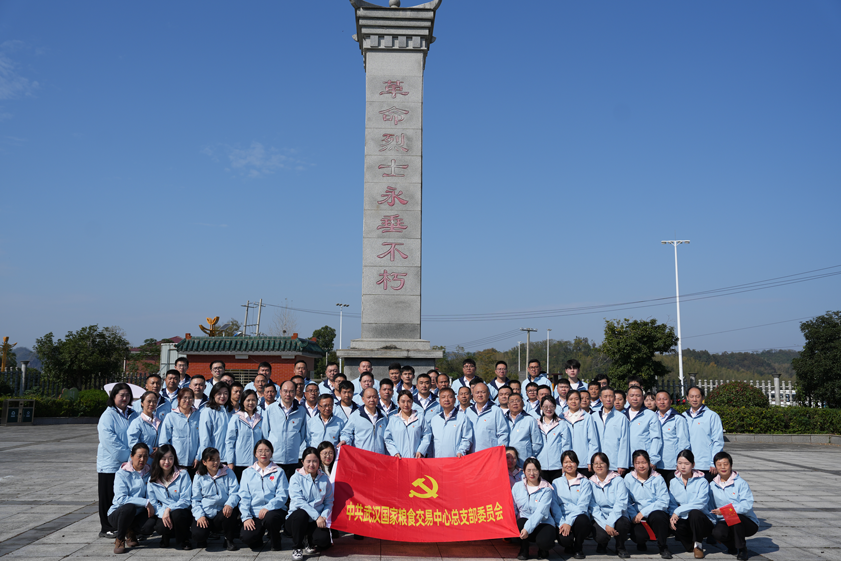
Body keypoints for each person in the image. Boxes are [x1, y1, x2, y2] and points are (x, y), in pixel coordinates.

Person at [97, 383, 139, 538]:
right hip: (111, 464)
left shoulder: (133, 414)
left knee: (124, 495)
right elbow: (109, 440)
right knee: (108, 496)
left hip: (129, 464)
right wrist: (129, 457)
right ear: (113, 396)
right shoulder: (108, 416)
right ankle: (106, 527)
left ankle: (125, 526)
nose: (125, 398)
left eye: (127, 395)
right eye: (121, 395)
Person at [239, 439, 289, 552]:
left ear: (271, 453)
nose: (263, 453)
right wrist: (246, 517)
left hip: (274, 510)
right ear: (255, 453)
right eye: (260, 451)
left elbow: (282, 495)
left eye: (267, 450)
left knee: (271, 518)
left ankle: (275, 540)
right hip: (255, 512)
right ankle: (258, 538)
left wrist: (268, 507)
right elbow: (244, 497)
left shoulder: (279, 471)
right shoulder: (247, 472)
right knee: (247, 537)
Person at [286, 447, 334, 560]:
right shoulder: (295, 478)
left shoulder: (324, 479)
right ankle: (297, 547)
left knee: (323, 541)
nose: (311, 464)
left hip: (316, 521)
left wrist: (324, 516)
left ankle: (309, 540)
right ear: (302, 462)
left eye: (315, 461)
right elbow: (299, 501)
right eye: (308, 461)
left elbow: (329, 501)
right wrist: (317, 516)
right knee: (301, 513)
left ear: (319, 462)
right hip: (296, 521)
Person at [108, 443, 156, 554]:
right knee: (129, 507)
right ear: (131, 456)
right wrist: (145, 502)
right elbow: (121, 498)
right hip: (119, 513)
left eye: (145, 456)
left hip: (138, 513)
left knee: (151, 524)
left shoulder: (149, 473)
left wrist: (150, 504)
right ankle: (120, 539)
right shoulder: (121, 474)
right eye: (139, 456)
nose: (142, 459)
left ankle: (131, 532)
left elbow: (152, 494)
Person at [709, 452, 758, 561]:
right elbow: (711, 506)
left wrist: (726, 511)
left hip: (746, 522)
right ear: (715, 466)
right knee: (717, 533)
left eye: (725, 464)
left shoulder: (741, 483)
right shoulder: (712, 485)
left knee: (732, 516)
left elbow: (747, 505)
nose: (723, 467)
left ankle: (742, 549)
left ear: (731, 465)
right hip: (724, 520)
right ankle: (732, 546)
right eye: (719, 464)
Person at [624, 450, 672, 558]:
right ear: (633, 464)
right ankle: (641, 543)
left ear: (649, 463)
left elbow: (664, 501)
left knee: (659, 516)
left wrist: (644, 512)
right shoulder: (628, 478)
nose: (641, 466)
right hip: (637, 515)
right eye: (637, 463)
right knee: (639, 536)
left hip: (654, 514)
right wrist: (633, 515)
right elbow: (626, 500)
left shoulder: (658, 478)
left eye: (644, 462)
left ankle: (663, 546)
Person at [190, 447, 240, 551]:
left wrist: (229, 504)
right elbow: (195, 499)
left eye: (217, 459)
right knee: (198, 535)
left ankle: (228, 540)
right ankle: (204, 537)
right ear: (204, 462)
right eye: (212, 460)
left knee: (230, 513)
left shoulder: (228, 472)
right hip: (206, 514)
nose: (216, 462)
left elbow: (235, 492)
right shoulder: (199, 476)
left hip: (222, 512)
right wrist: (200, 516)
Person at [669, 449, 716, 559]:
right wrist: (672, 515)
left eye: (686, 463)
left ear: (693, 465)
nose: (683, 467)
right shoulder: (673, 482)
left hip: (702, 520)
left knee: (695, 513)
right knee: (672, 521)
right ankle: (690, 545)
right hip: (684, 519)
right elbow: (672, 503)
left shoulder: (702, 482)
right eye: (680, 463)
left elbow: (701, 504)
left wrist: (678, 511)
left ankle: (698, 545)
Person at [147, 445, 193, 550]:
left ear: (174, 459)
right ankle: (166, 535)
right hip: (163, 511)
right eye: (163, 459)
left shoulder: (183, 474)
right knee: (160, 527)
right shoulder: (152, 479)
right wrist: (163, 513)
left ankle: (184, 538)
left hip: (182, 510)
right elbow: (154, 503)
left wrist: (169, 509)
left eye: (170, 458)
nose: (167, 462)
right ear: (158, 460)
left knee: (177, 515)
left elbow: (186, 499)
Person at [511, 458, 557, 560]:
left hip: (543, 522)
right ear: (524, 471)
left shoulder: (546, 488)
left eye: (535, 470)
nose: (532, 473)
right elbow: (513, 507)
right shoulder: (517, 486)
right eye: (528, 470)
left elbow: (541, 512)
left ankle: (543, 549)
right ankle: (524, 549)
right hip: (524, 520)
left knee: (545, 542)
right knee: (520, 523)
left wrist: (527, 529)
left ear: (539, 471)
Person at [264, 380, 309, 482]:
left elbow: (302, 433)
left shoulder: (301, 410)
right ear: (280, 392)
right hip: (274, 457)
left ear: (295, 392)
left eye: (291, 391)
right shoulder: (271, 409)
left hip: (293, 458)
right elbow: (265, 432)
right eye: (285, 391)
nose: (288, 394)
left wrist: (294, 444)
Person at [551, 450, 592, 559]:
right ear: (562, 465)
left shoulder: (585, 482)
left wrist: (569, 522)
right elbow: (555, 506)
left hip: (578, 517)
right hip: (562, 518)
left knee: (583, 520)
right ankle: (569, 545)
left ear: (577, 463)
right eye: (566, 462)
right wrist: (562, 523)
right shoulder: (556, 482)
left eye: (572, 461)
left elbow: (582, 506)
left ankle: (578, 547)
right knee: (565, 540)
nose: (569, 465)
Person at [589, 452, 631, 558]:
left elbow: (621, 503)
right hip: (600, 516)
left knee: (622, 524)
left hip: (618, 514)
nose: (599, 466)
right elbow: (593, 506)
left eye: (602, 463)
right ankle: (602, 544)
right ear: (592, 466)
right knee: (600, 536)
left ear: (607, 464)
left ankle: (620, 547)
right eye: (595, 463)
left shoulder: (618, 480)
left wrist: (611, 522)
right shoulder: (590, 483)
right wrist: (605, 525)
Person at [684, 387, 724, 482]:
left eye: (697, 396)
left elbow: (718, 441)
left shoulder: (712, 416)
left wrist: (714, 462)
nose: (694, 399)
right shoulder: (683, 416)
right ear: (687, 398)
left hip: (706, 466)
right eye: (691, 396)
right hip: (688, 465)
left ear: (702, 397)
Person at [159, 388, 200, 475]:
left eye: (190, 398)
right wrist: (169, 459)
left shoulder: (198, 415)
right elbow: (164, 441)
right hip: (176, 462)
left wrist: (198, 457)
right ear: (178, 399)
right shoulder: (171, 416)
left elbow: (202, 439)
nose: (187, 400)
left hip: (194, 462)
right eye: (184, 398)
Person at [225, 389, 264, 481]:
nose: (251, 403)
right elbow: (230, 441)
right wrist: (230, 461)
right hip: (240, 462)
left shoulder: (261, 418)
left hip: (257, 462)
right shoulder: (236, 418)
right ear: (242, 401)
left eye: (253, 400)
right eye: (248, 400)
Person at [339, 387, 389, 454]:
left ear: (378, 398)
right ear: (363, 399)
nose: (371, 400)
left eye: (374, 397)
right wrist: (345, 440)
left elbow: (388, 436)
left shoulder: (383, 415)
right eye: (368, 397)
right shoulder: (355, 415)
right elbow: (347, 433)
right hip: (361, 456)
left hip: (379, 456)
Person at [654, 391, 689, 486]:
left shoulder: (678, 418)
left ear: (670, 401)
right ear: (655, 402)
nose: (662, 402)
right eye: (659, 399)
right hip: (654, 464)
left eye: (665, 399)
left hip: (672, 465)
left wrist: (680, 462)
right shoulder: (652, 418)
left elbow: (683, 442)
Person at [593, 387, 630, 476]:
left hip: (614, 463)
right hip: (597, 463)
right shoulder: (593, 417)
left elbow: (624, 442)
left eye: (611, 396)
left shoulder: (621, 418)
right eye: (605, 396)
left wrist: (622, 464)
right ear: (600, 398)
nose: (608, 399)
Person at [427, 387, 473, 458]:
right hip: (437, 460)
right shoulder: (435, 419)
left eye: (450, 397)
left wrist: (461, 451)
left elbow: (467, 438)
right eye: (443, 397)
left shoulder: (463, 418)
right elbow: (431, 441)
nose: (446, 399)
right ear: (439, 400)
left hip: (455, 459)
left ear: (455, 400)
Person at [385, 390, 432, 458]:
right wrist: (394, 452)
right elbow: (388, 439)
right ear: (398, 403)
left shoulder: (420, 418)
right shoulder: (393, 420)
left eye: (409, 401)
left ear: (412, 402)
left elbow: (426, 435)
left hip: (416, 458)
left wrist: (421, 450)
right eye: (403, 401)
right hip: (399, 459)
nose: (406, 405)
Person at [564, 390, 599, 477]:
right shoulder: (562, 418)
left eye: (576, 399)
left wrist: (590, 460)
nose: (573, 401)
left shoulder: (587, 417)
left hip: (583, 462)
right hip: (567, 463)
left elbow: (593, 441)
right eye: (570, 399)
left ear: (580, 401)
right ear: (567, 401)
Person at [466, 382, 510, 453]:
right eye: (477, 392)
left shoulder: (496, 410)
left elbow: (503, 433)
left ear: (488, 394)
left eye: (483, 392)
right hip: (472, 455)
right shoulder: (468, 411)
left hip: (490, 454)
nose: (480, 395)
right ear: (473, 395)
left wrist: (499, 452)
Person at [536, 395, 571, 483]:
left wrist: (564, 463)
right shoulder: (536, 424)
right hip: (541, 465)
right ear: (541, 407)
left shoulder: (561, 424)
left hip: (557, 465)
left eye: (551, 406)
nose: (549, 409)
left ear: (555, 407)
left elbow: (566, 445)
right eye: (545, 406)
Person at [627, 386, 664, 468]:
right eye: (632, 395)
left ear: (642, 398)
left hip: (643, 462)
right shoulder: (622, 416)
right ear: (627, 398)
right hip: (625, 462)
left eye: (638, 395)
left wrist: (653, 459)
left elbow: (656, 438)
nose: (635, 398)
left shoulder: (650, 415)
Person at [198, 382, 233, 466]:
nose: (222, 396)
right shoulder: (208, 411)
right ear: (213, 394)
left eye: (225, 393)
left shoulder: (231, 412)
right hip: (213, 458)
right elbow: (204, 437)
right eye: (219, 393)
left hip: (229, 458)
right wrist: (207, 457)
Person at [128, 391, 163, 464]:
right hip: (141, 462)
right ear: (142, 403)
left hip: (156, 462)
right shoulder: (137, 423)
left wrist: (160, 449)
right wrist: (150, 451)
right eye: (149, 401)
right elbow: (133, 443)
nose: (152, 404)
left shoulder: (160, 422)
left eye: (154, 402)